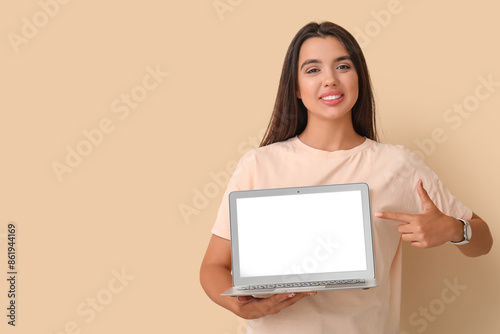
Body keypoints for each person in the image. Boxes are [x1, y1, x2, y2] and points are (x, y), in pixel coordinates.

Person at [199, 21, 493, 333]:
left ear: (359, 78)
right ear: (295, 88)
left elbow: (482, 240)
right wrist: (242, 307)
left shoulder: (398, 165)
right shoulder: (259, 165)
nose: (330, 80)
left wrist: (453, 229)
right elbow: (212, 267)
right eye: (313, 70)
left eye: (342, 66)